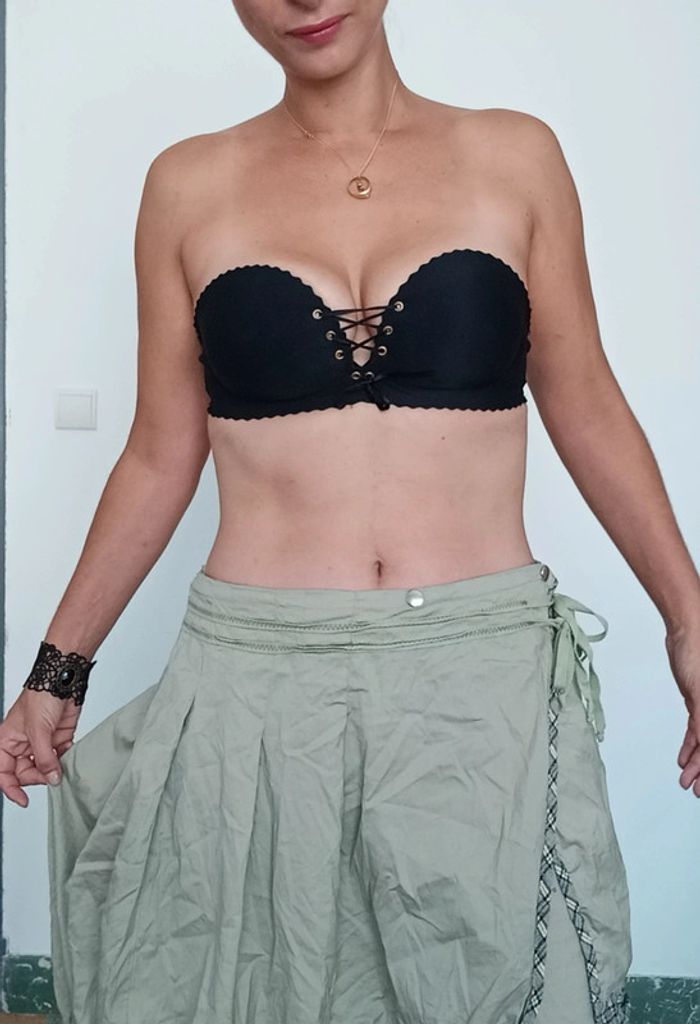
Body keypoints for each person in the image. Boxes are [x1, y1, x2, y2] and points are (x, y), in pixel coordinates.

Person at [1, 2, 699, 1022]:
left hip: (478, 679)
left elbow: (585, 402)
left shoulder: (514, 156)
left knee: (499, 982)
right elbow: (158, 453)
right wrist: (56, 673)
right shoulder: (188, 184)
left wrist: (688, 620)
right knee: (244, 983)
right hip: (254, 681)